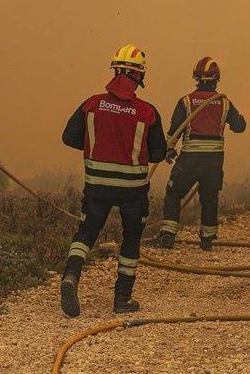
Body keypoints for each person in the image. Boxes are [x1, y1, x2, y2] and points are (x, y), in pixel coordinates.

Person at [59, 44, 167, 317]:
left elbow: (69, 138)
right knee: (131, 240)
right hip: (133, 191)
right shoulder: (148, 112)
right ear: (139, 76)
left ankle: (71, 276)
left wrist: (99, 143)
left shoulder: (91, 104)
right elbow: (158, 153)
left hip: (97, 187)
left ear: (116, 71)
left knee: (86, 233)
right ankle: (122, 300)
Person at [155, 57, 246, 251]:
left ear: (196, 77)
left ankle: (168, 237)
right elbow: (239, 127)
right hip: (213, 162)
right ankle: (207, 240)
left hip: (189, 159)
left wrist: (169, 150)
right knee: (209, 197)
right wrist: (241, 119)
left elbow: (174, 131)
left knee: (174, 193)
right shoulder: (224, 102)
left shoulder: (186, 101)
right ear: (216, 78)